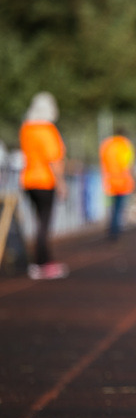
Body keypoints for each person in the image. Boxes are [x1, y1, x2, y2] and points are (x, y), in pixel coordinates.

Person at [19, 92, 68, 280]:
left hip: (28, 180)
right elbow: (53, 159)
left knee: (38, 223)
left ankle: (38, 262)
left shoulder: (26, 129)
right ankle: (44, 263)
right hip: (45, 181)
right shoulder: (47, 129)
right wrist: (61, 183)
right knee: (44, 224)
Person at [99, 128, 135, 241]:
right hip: (123, 182)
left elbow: (102, 161)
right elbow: (128, 163)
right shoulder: (125, 145)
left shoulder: (107, 144)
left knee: (110, 207)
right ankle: (115, 229)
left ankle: (111, 227)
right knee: (119, 207)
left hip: (109, 181)